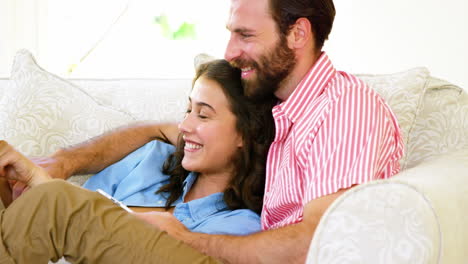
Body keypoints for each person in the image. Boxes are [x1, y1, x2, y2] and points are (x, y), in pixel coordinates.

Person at [5, 0, 404, 263]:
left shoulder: (343, 106)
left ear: (298, 34)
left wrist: (189, 239)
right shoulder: (281, 112)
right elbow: (170, 132)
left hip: (218, 255)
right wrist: (60, 162)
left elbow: (319, 241)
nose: (230, 51)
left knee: (57, 204)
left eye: (245, 35)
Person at [0, 59, 275, 263]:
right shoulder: (153, 159)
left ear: (246, 132)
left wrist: (43, 186)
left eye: (203, 115)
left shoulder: (239, 227)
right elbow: (65, 227)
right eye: (188, 109)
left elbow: (74, 213)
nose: (184, 125)